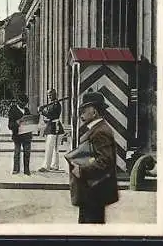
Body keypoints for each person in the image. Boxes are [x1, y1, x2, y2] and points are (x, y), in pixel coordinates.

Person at [68, 91, 119, 224]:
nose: (81, 114)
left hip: (94, 191)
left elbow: (105, 161)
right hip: (92, 190)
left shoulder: (100, 131)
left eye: (84, 110)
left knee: (91, 227)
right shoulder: (97, 128)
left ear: (94, 112)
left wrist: (82, 170)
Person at [38, 88, 65, 172]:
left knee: (50, 147)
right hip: (55, 126)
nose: (49, 96)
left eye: (50, 95)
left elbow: (51, 115)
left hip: (53, 127)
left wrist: (42, 111)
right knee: (55, 148)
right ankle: (55, 165)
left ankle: (46, 166)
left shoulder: (56, 104)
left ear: (55, 95)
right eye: (48, 95)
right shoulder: (53, 104)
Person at [8, 94, 32, 175]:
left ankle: (26, 170)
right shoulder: (12, 110)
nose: (24, 105)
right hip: (17, 135)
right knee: (17, 153)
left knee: (27, 153)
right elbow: (10, 125)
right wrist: (17, 122)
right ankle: (16, 169)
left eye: (25, 103)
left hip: (27, 135)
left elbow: (30, 122)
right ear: (18, 102)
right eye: (23, 103)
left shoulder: (27, 110)